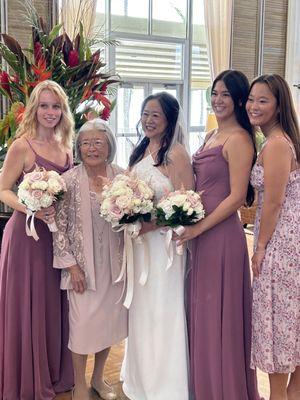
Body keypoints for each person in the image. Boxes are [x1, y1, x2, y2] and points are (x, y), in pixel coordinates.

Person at [177, 70, 261, 400]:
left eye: (226, 94)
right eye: (215, 92)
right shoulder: (212, 134)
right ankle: (204, 385)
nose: (218, 99)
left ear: (239, 100)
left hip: (222, 236)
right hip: (200, 231)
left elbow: (237, 196)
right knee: (200, 309)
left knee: (217, 313)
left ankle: (223, 389)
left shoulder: (239, 138)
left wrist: (199, 226)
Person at [0, 80, 74, 399]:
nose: (50, 112)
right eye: (44, 106)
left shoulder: (66, 147)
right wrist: (30, 207)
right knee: (28, 303)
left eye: (55, 106)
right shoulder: (22, 146)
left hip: (55, 238)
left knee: (51, 301)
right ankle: (27, 376)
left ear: (63, 111)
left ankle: (52, 371)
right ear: (34, 108)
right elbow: (2, 190)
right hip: (26, 237)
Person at [121, 92, 194, 400]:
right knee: (141, 312)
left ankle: (166, 386)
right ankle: (140, 379)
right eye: (145, 114)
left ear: (169, 120)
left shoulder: (176, 154)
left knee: (163, 311)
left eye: (156, 116)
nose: (148, 121)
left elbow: (186, 204)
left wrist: (152, 224)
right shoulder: (140, 150)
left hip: (164, 247)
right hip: (140, 246)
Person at [53, 118, 128, 400]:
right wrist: (71, 266)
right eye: (86, 143)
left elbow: (130, 222)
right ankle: (79, 384)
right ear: (78, 147)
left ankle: (98, 377)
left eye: (98, 142)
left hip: (115, 267)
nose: (92, 149)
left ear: (109, 145)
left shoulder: (121, 177)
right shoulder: (67, 181)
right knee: (82, 327)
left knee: (109, 324)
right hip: (81, 269)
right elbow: (57, 227)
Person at [246, 74, 300, 400]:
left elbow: (275, 201)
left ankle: (279, 396)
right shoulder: (277, 141)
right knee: (289, 319)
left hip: (282, 245)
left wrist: (261, 246)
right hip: (289, 241)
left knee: (278, 322)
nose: (254, 105)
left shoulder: (278, 144)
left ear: (279, 106)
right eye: (251, 99)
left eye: (263, 100)